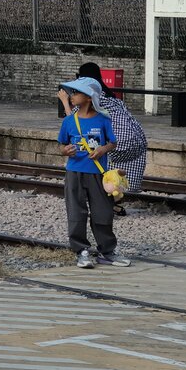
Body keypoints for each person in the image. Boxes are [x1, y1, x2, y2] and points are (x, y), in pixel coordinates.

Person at [57, 76, 131, 268]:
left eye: (76, 93)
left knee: (103, 212)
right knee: (76, 212)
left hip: (98, 173)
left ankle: (106, 251)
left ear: (89, 97)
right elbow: (62, 146)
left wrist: (103, 149)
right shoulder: (69, 121)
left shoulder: (103, 120)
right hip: (74, 172)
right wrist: (66, 151)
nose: (72, 96)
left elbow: (112, 143)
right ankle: (81, 251)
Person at [76, 61, 148, 216]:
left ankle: (102, 203)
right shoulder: (112, 97)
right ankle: (114, 199)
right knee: (113, 170)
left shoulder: (91, 98)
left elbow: (73, 120)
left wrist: (63, 100)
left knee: (90, 162)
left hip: (116, 141)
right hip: (137, 142)